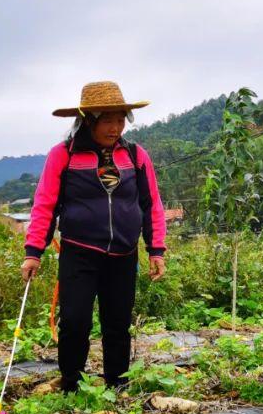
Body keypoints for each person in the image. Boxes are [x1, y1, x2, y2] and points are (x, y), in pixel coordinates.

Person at [21, 82, 167, 393]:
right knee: (75, 321)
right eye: (108, 120)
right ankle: (72, 384)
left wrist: (156, 250)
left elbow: (151, 203)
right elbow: (45, 203)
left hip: (123, 255)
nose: (115, 128)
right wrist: (33, 251)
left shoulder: (135, 155)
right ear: (89, 120)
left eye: (120, 120)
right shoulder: (64, 156)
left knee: (117, 323)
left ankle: (116, 383)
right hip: (80, 253)